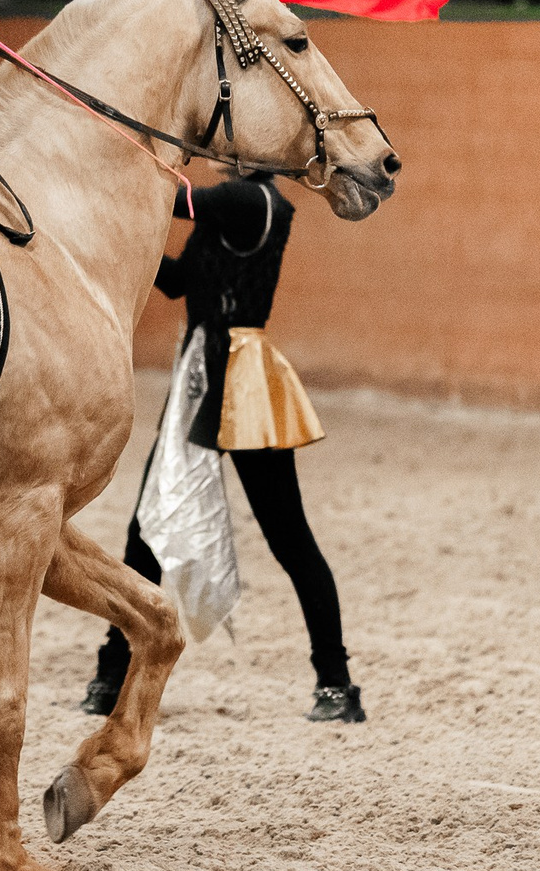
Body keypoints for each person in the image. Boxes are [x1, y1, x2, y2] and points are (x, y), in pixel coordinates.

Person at [79, 173, 363, 724]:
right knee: (145, 530)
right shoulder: (228, 205)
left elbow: (171, 198)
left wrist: (103, 180)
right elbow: (180, 280)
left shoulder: (251, 198)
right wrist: (121, 241)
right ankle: (111, 674)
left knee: (289, 540)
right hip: (199, 379)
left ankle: (337, 682)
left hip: (240, 383)